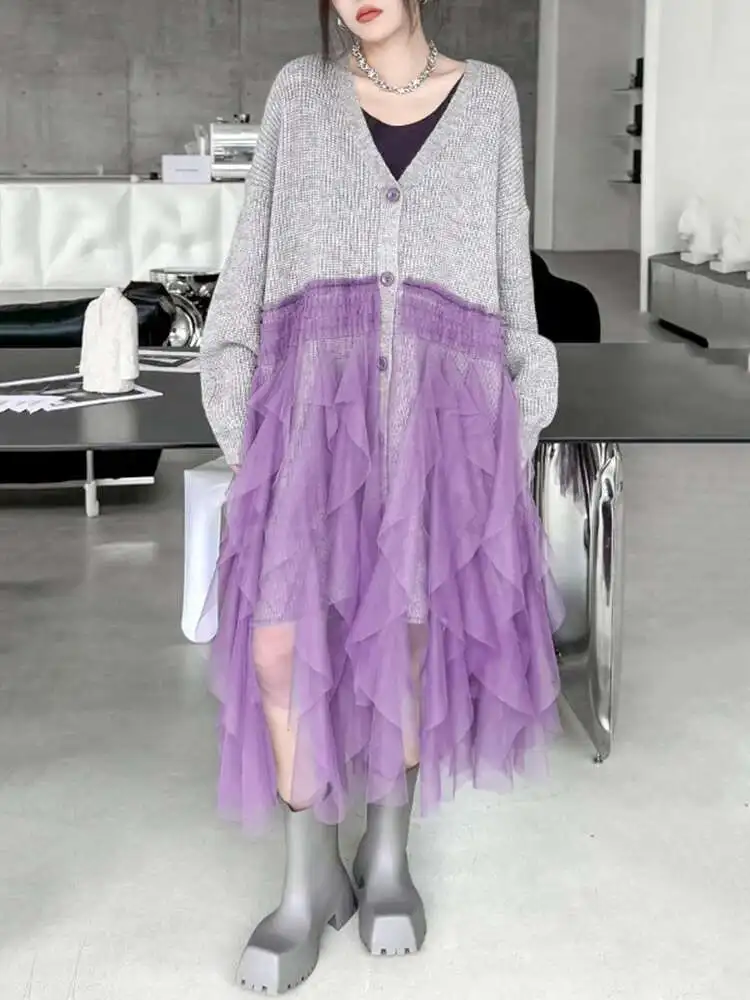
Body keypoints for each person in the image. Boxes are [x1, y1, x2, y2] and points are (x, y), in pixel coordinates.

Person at [200, 0, 562, 992]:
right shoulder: (300, 95)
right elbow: (250, 265)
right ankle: (307, 877)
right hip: (307, 429)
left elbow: (509, 282)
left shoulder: (488, 100)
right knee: (280, 644)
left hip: (437, 434)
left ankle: (387, 855)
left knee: (402, 645)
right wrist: (242, 416)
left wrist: (506, 431)